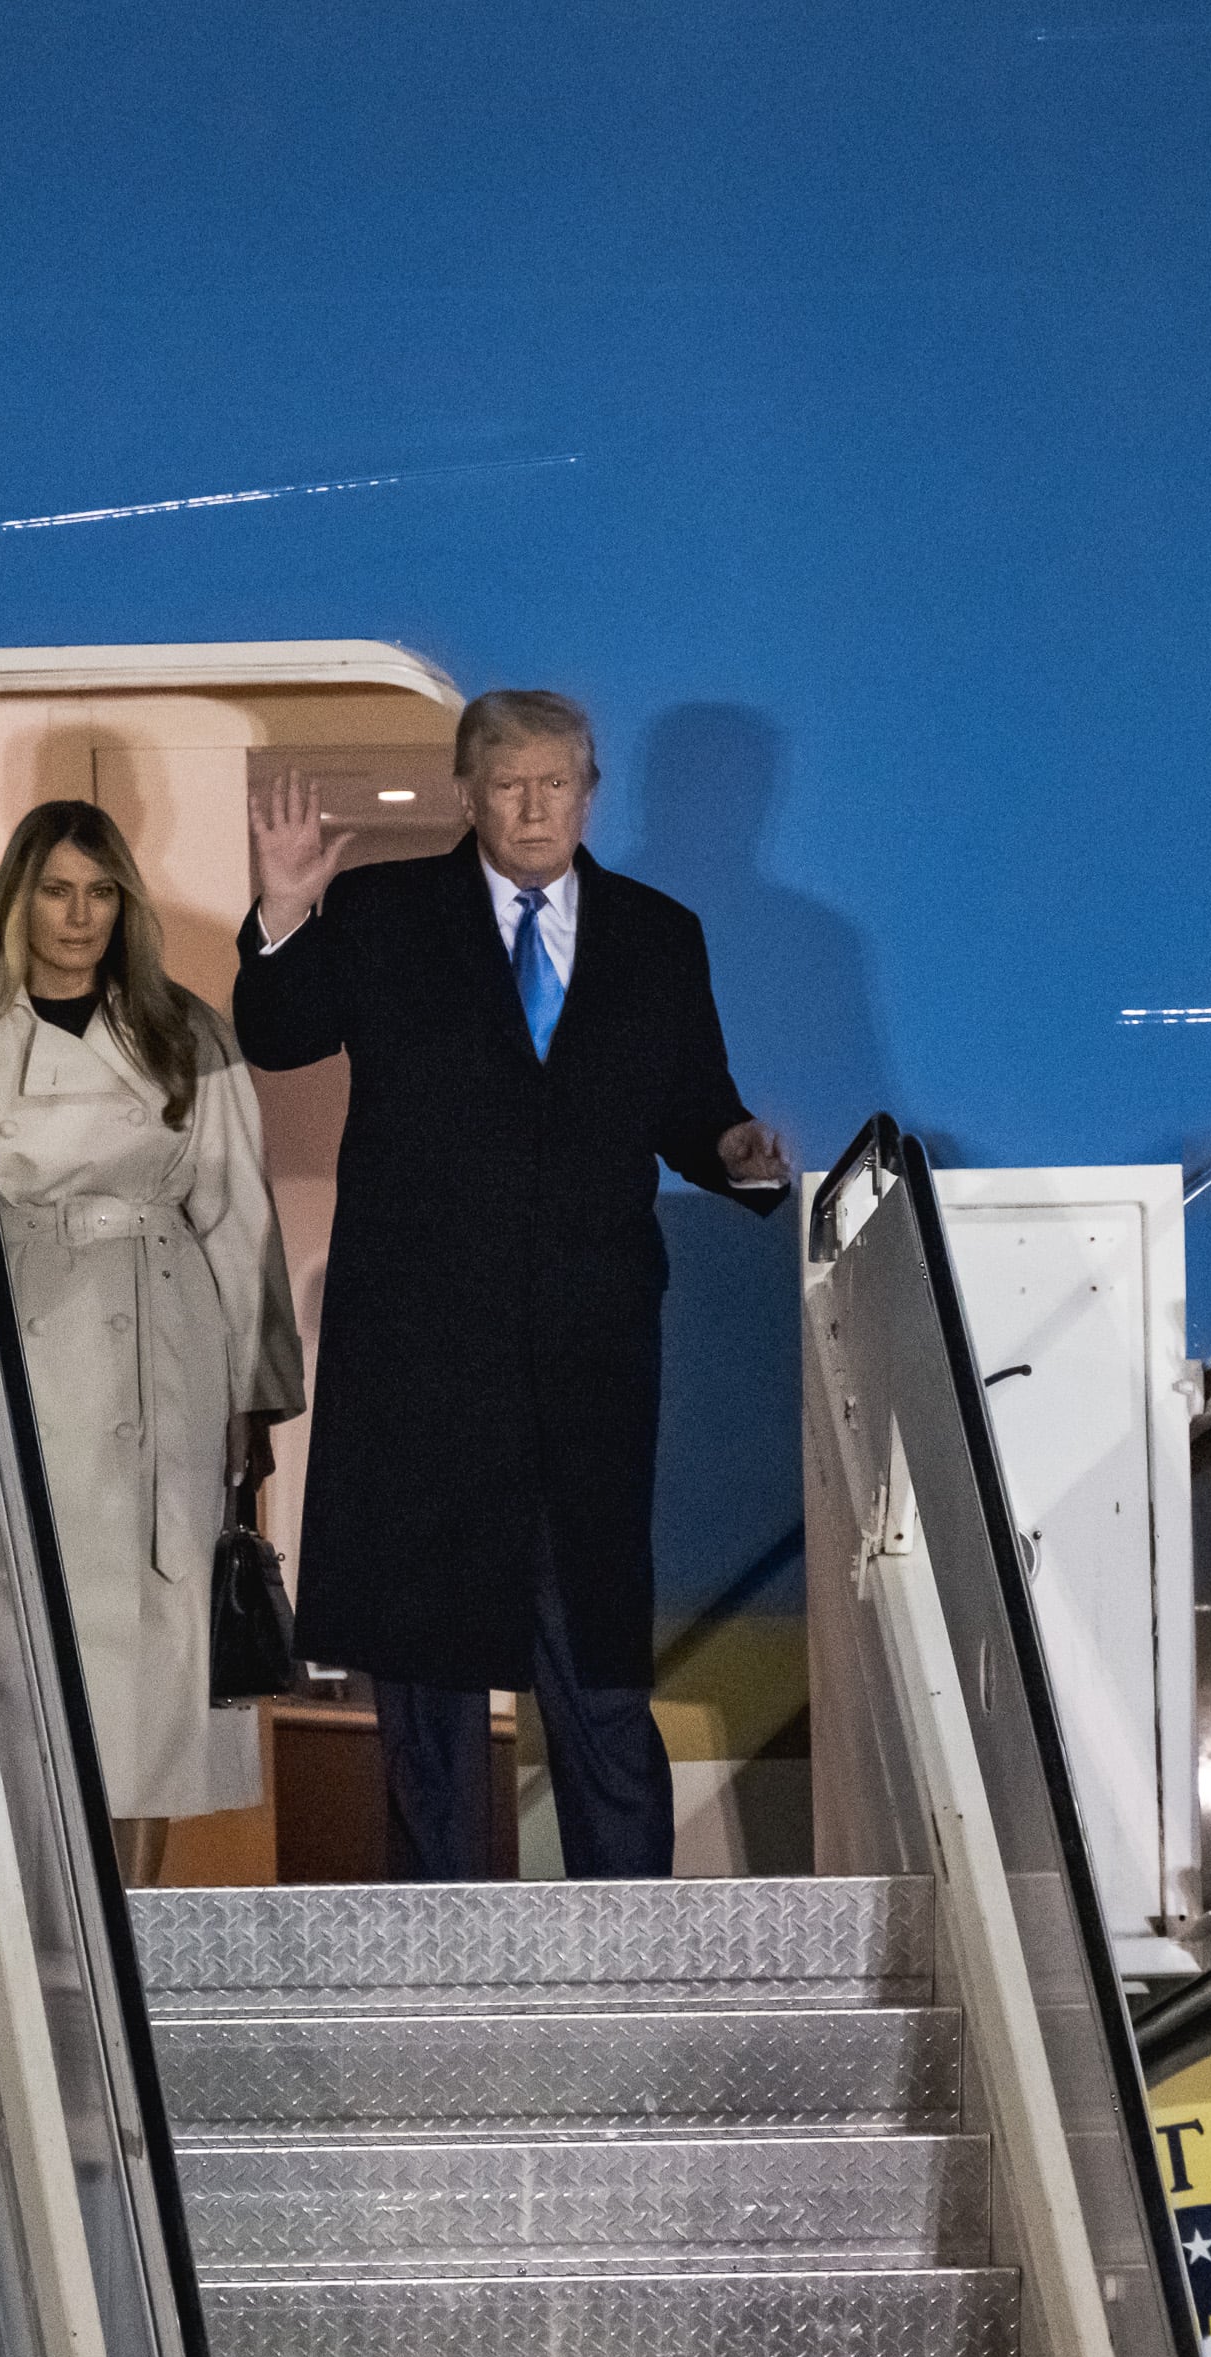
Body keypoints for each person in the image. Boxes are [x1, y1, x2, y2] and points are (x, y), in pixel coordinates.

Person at [238, 690, 790, 1882]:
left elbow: (694, 1104)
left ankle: (630, 1946)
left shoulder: (657, 934)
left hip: (586, 1363)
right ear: (466, 792)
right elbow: (280, 1035)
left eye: (555, 782)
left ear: (591, 792)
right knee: (426, 1685)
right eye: (508, 784)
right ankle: (440, 1949)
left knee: (596, 1671)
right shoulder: (384, 911)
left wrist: (737, 1150)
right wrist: (281, 915)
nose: (534, 807)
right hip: (422, 1368)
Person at [0, 799, 303, 1885]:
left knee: (156, 1659)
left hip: (162, 1353)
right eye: (57, 892)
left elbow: (239, 1217)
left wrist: (251, 1399)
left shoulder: (185, 1031)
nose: (79, 917)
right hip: (17, 1351)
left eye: (101, 892)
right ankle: (42, 1924)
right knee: (31, 1643)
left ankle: (137, 1920)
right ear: (17, 902)